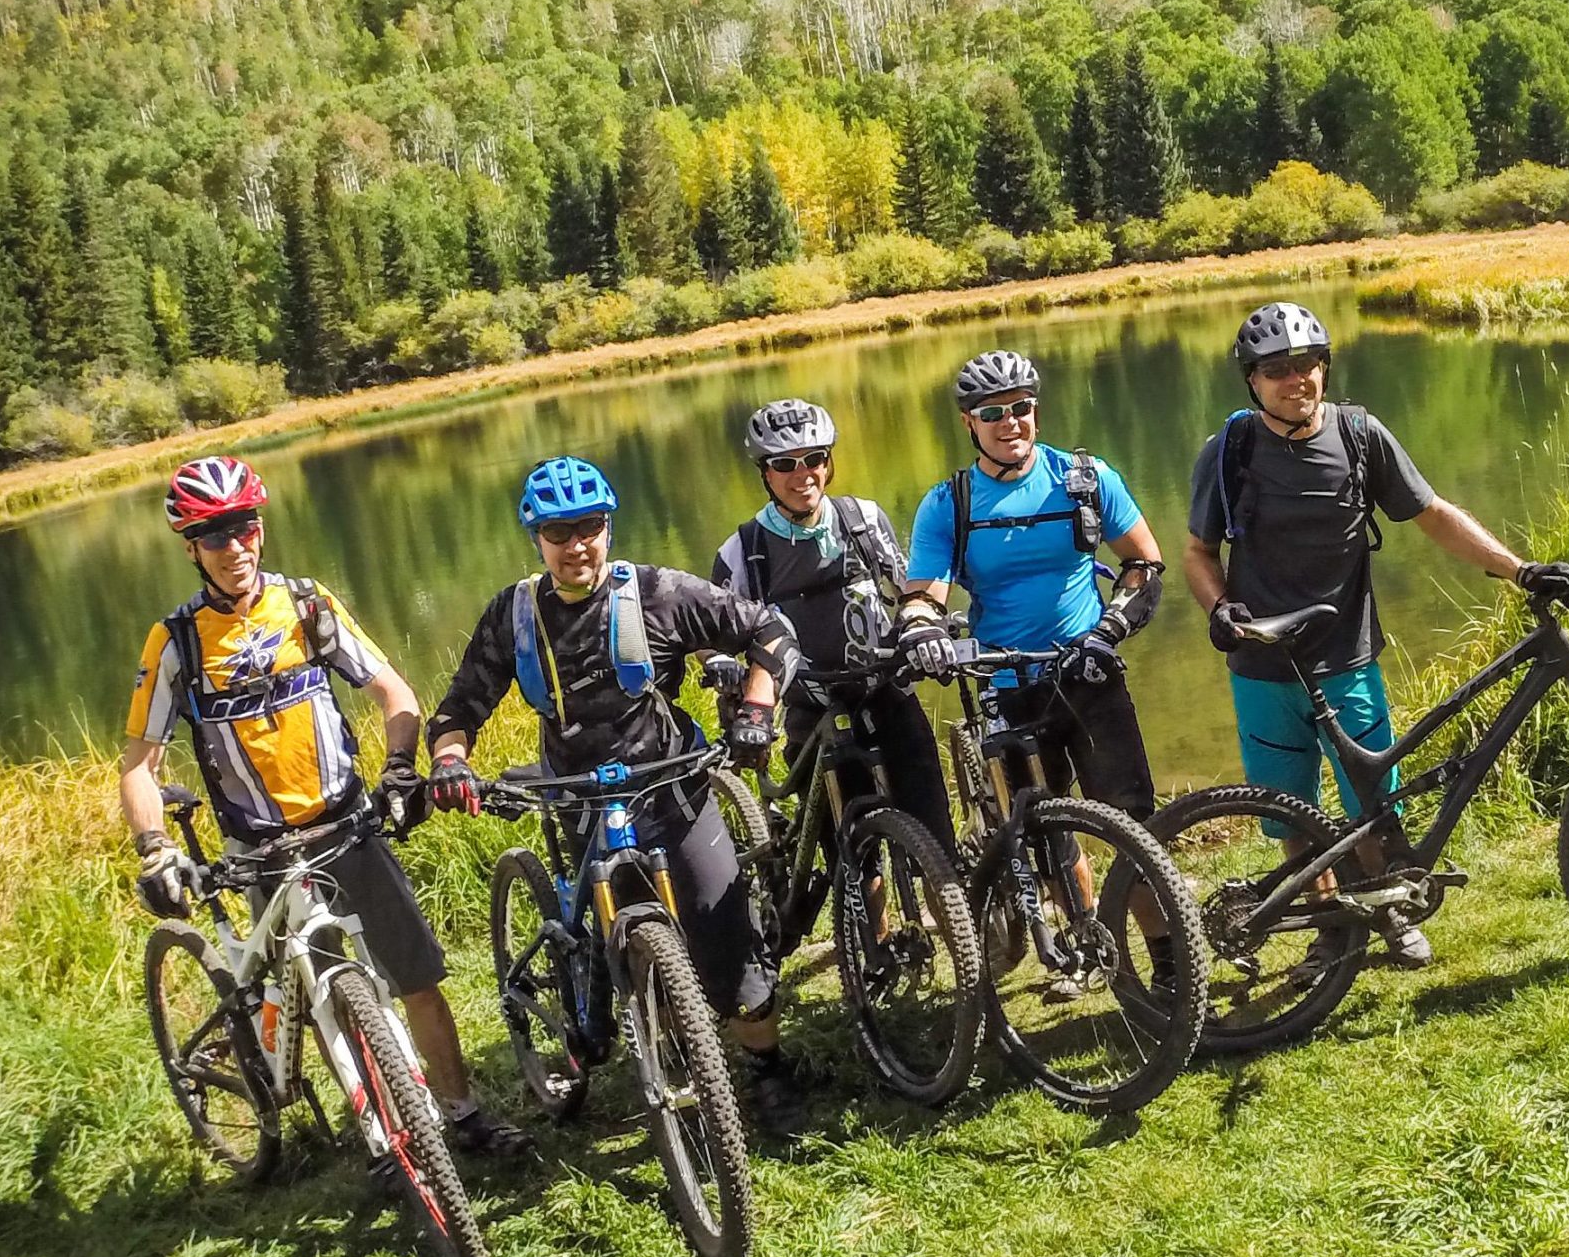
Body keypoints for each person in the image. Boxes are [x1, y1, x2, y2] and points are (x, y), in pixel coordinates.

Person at [117, 455, 522, 1159]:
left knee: (419, 978)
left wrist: (399, 768)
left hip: (348, 825)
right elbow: (139, 766)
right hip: (261, 852)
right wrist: (155, 848)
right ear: (191, 548)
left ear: (261, 527)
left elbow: (394, 693)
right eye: (215, 535)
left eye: (243, 526)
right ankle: (381, 1140)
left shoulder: (306, 605)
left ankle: (464, 1115)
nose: (234, 546)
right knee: (319, 998)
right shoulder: (176, 641)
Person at [1182, 301, 1569, 969]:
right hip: (1263, 665)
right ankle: (1329, 928)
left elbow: (1434, 515)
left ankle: (1388, 909)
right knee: (1289, 813)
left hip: (1346, 657)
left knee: (1371, 800)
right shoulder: (1230, 450)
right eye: (1276, 369)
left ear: (1325, 368)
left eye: (1307, 363)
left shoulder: (1361, 435)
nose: (1295, 378)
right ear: (1252, 380)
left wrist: (1520, 570)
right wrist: (1219, 608)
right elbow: (1197, 553)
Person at [422, 455, 808, 1129]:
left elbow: (769, 630)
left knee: (729, 939)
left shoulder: (657, 593)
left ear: (609, 526)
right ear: (536, 537)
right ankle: (620, 1027)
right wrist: (450, 760)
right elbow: (460, 707)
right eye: (560, 532)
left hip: (670, 786)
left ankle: (766, 1067)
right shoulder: (513, 616)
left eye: (592, 527)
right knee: (605, 960)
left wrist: (756, 709)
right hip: (577, 795)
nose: (578, 545)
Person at [897, 348, 1166, 819]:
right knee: (1045, 839)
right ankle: (1065, 896)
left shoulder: (1084, 479)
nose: (1010, 423)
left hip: (1090, 673)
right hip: (1007, 685)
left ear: (1036, 412)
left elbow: (1144, 564)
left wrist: (1107, 632)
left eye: (1021, 408)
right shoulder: (948, 504)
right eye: (993, 413)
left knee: (1135, 824)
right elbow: (924, 597)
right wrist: (922, 631)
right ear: (969, 424)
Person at [711, 397, 957, 859]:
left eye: (815, 459)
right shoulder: (742, 550)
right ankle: (868, 926)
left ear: (829, 464)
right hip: (810, 706)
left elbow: (911, 589)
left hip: (885, 690)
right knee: (852, 861)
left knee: (936, 837)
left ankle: (952, 919)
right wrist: (723, 664)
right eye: (785, 463)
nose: (803, 474)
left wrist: (925, 627)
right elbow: (717, 633)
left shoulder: (861, 519)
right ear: (765, 473)